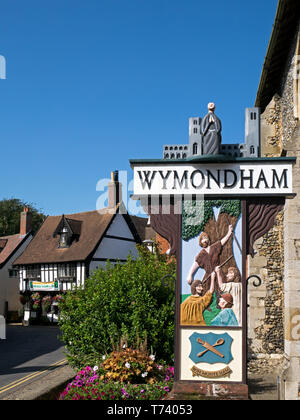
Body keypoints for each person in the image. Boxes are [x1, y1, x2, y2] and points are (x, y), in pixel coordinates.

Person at [187, 224, 233, 293]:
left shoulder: (214, 248)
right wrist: (190, 275)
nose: (204, 240)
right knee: (208, 293)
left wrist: (229, 232)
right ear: (200, 242)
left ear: (208, 239)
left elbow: (222, 242)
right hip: (208, 277)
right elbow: (195, 264)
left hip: (218, 273)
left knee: (222, 291)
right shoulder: (201, 255)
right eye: (202, 239)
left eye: (206, 238)